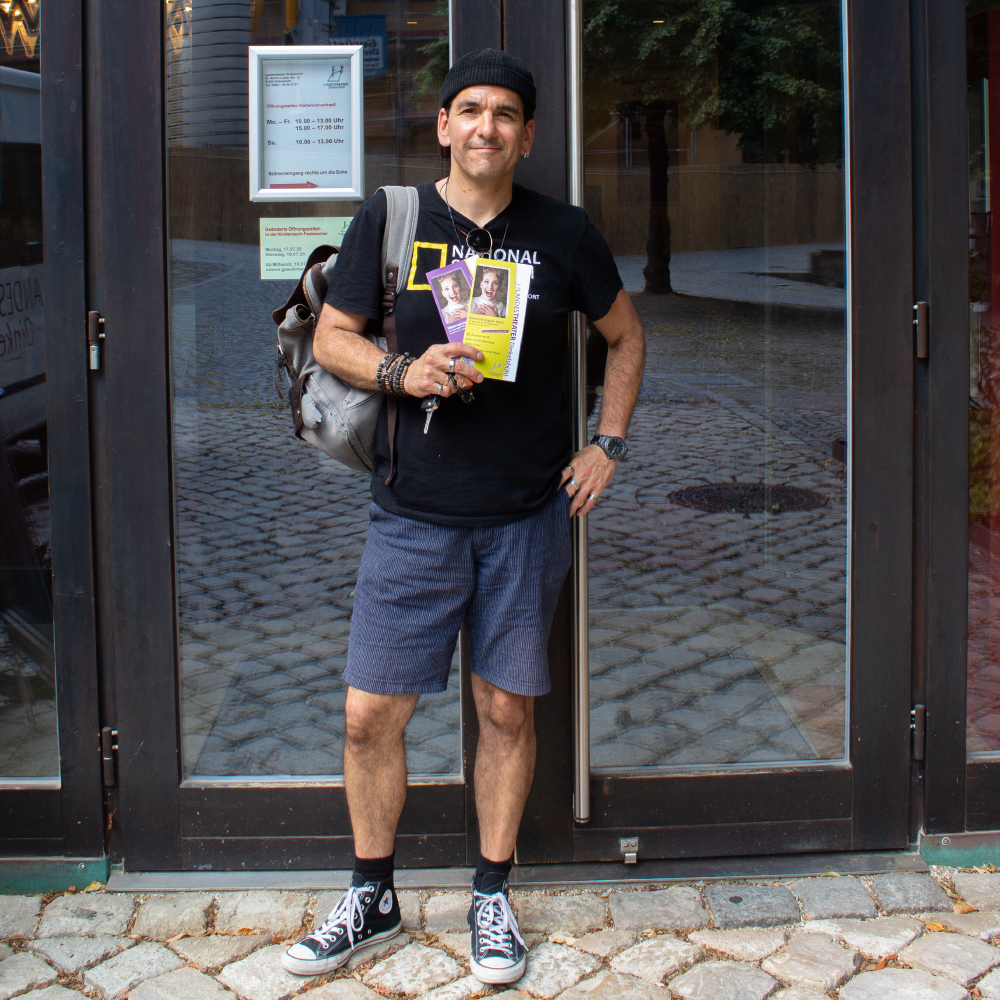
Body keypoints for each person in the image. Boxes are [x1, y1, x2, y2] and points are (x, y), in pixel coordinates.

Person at [281, 47, 645, 985]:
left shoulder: (563, 232)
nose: (487, 127)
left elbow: (627, 336)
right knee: (369, 717)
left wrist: (607, 445)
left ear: (526, 134)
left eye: (506, 114)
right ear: (444, 124)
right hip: (411, 516)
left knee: (505, 712)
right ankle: (373, 891)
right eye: (470, 110)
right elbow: (333, 335)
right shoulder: (393, 218)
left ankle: (490, 893)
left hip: (525, 517)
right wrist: (404, 371)